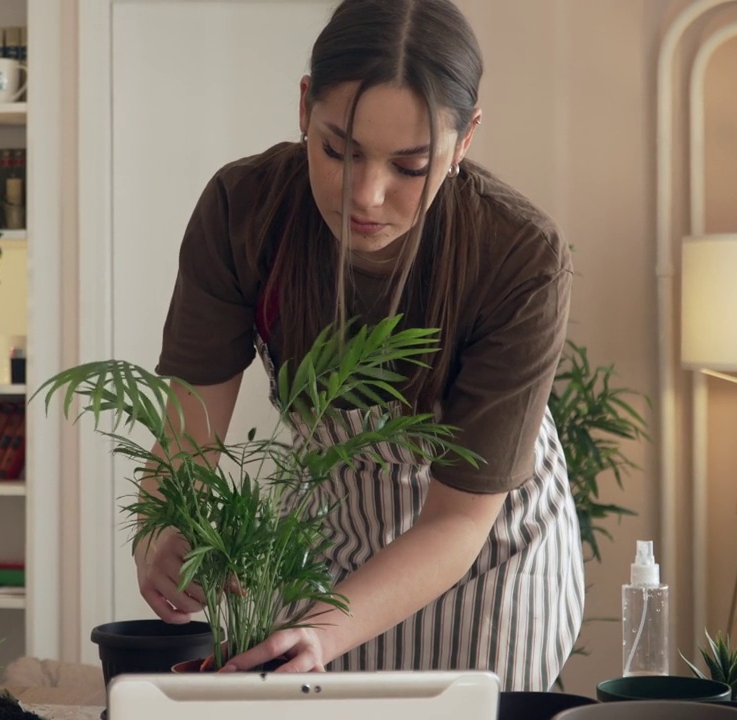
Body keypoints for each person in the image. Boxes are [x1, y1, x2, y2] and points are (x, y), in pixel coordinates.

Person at [136, 0, 584, 692]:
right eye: (338, 151)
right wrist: (160, 529)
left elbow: (459, 519)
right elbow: (188, 442)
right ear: (304, 106)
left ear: (464, 141)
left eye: (410, 167)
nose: (366, 197)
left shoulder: (519, 255)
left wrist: (326, 628)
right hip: (327, 530)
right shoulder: (243, 211)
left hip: (488, 553)